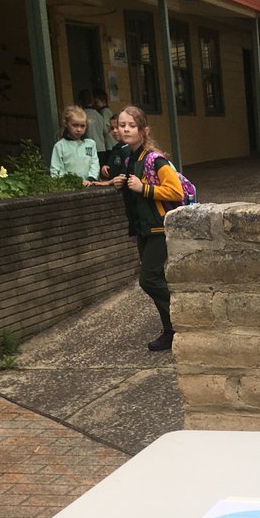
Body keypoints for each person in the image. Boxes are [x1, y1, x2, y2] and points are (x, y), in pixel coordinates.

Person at [111, 106, 183, 350]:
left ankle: (181, 321)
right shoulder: (130, 158)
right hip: (143, 229)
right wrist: (123, 184)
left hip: (159, 228)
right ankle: (171, 330)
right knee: (155, 278)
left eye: (131, 125)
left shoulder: (154, 158)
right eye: (122, 125)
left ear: (144, 130)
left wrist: (144, 189)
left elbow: (176, 191)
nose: (126, 129)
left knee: (149, 279)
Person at [49, 106, 99, 184]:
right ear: (66, 124)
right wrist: (70, 182)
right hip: (69, 187)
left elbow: (94, 163)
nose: (79, 129)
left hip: (90, 184)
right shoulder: (60, 146)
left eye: (82, 126)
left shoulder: (90, 144)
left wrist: (90, 179)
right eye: (75, 125)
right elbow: (56, 170)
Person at [79, 89, 110, 172]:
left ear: (80, 102)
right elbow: (106, 132)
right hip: (101, 148)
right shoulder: (99, 115)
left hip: (87, 150)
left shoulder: (81, 116)